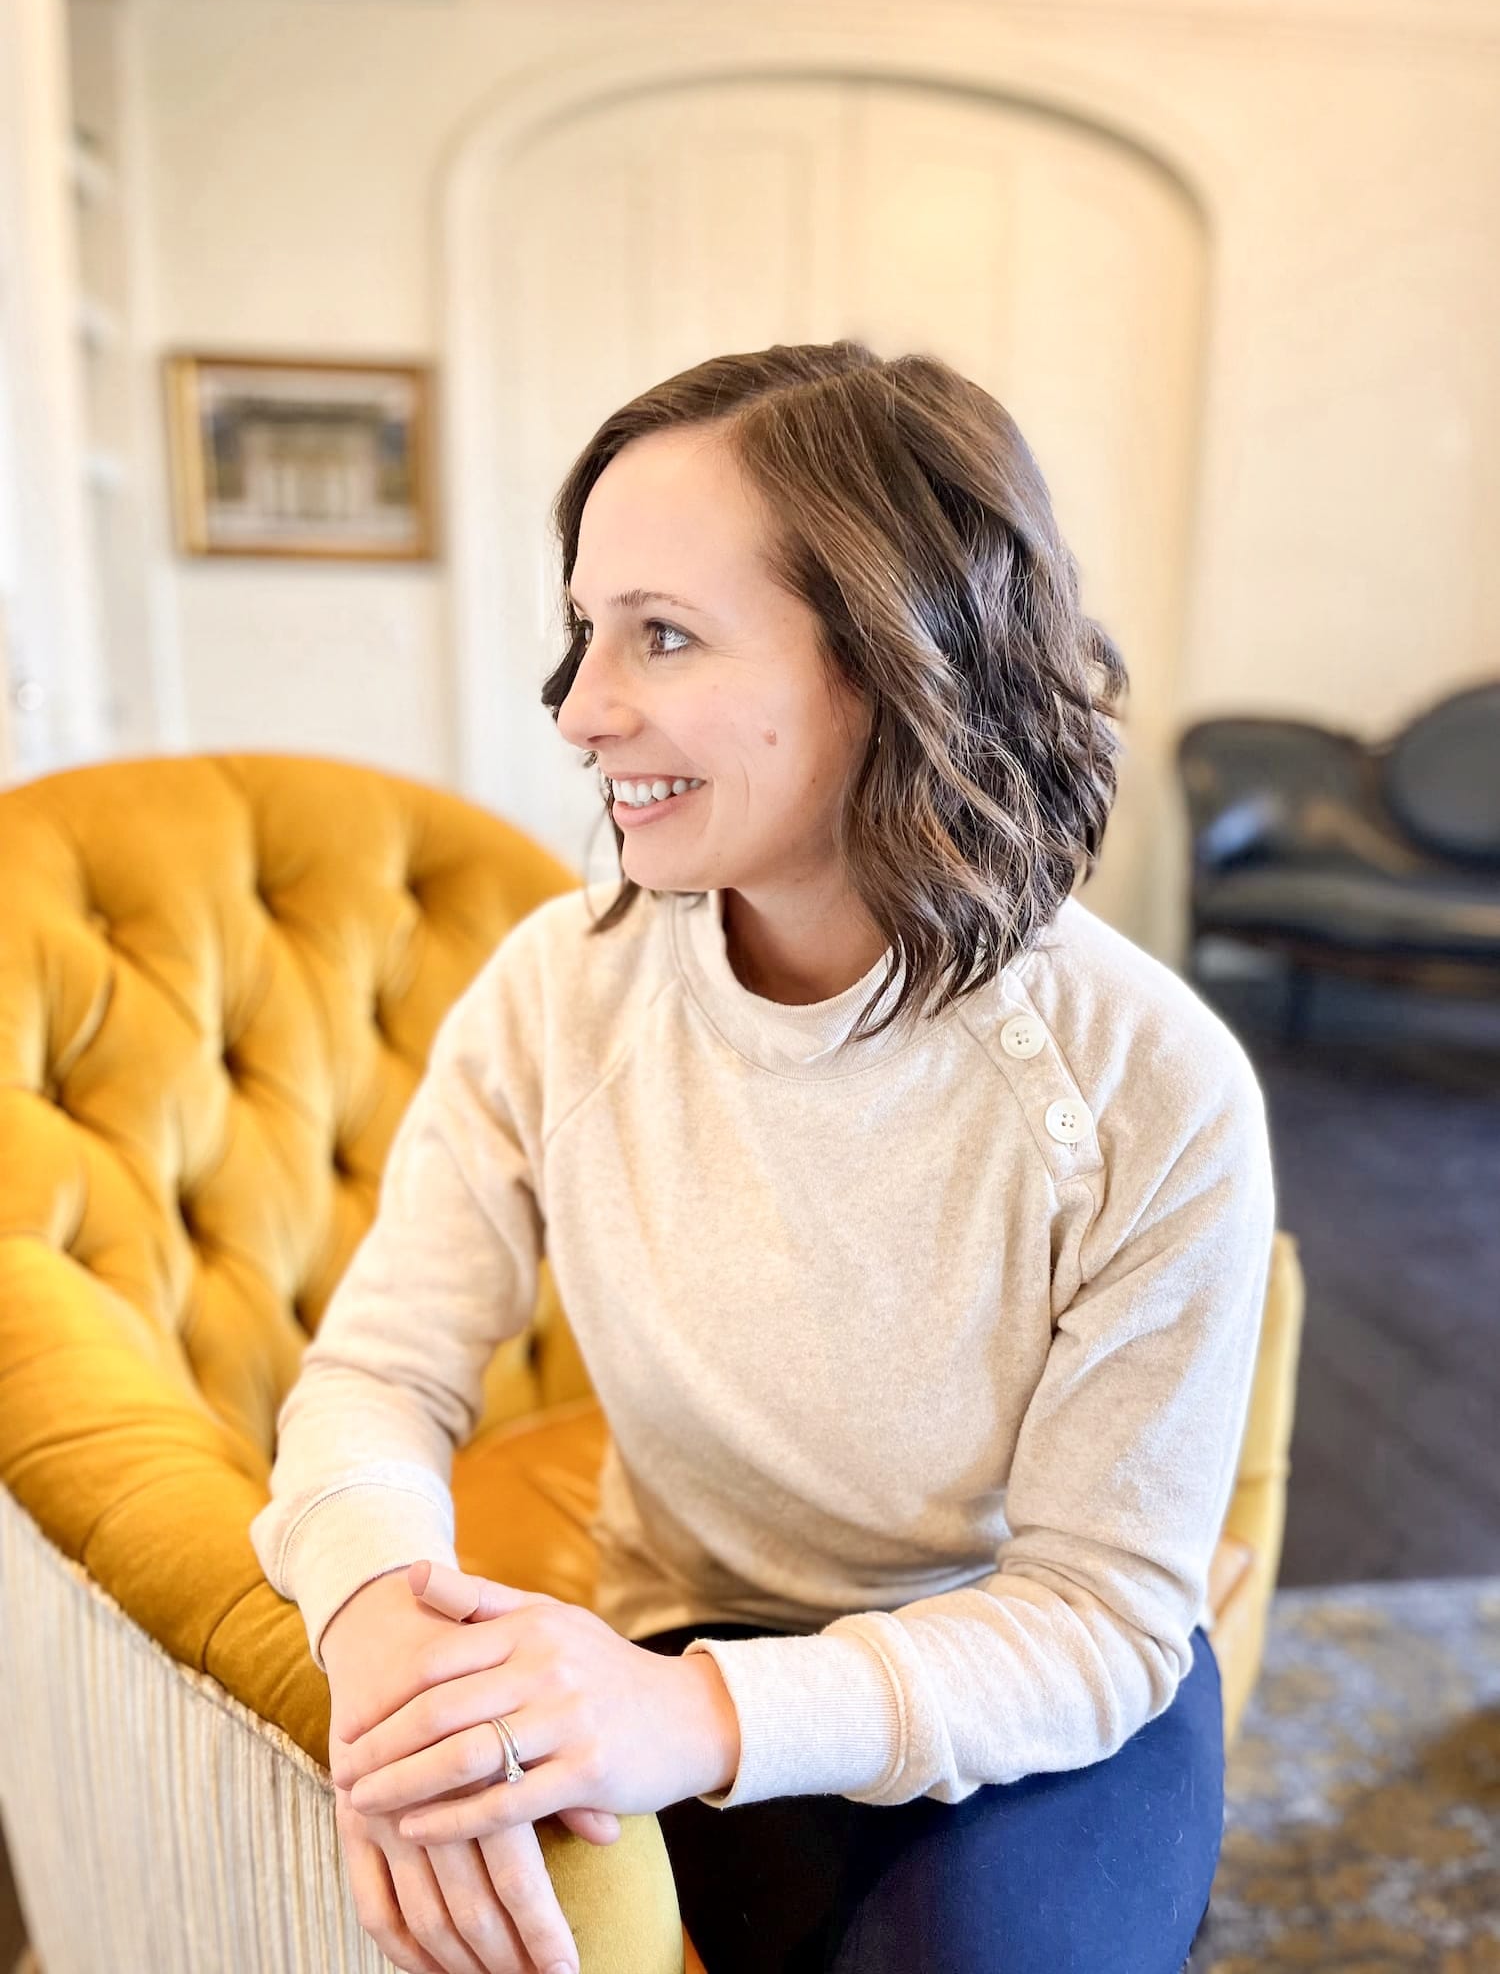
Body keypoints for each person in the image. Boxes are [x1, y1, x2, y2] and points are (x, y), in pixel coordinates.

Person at [250, 338, 1277, 1974]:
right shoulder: (555, 1000)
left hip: (1031, 1671)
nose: (584, 711)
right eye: (588, 630)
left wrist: (692, 1719)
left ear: (894, 662)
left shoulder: (1156, 1086)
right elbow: (380, 1374)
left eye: (662, 634)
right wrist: (377, 1622)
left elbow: (1098, 1610)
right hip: (690, 1630)